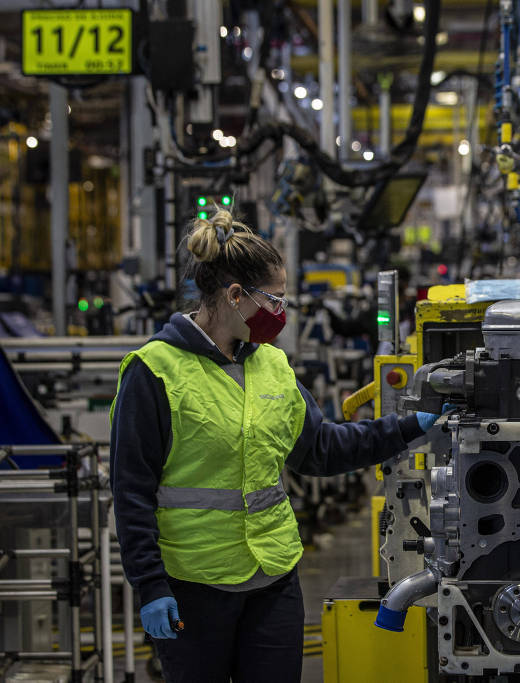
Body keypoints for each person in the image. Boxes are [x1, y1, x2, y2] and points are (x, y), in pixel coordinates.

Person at [110, 209, 439, 682]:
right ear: (235, 296)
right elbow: (131, 490)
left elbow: (321, 449)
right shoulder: (154, 371)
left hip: (273, 580)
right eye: (276, 298)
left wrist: (409, 427)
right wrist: (149, 584)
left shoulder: (272, 366)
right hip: (192, 586)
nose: (282, 312)